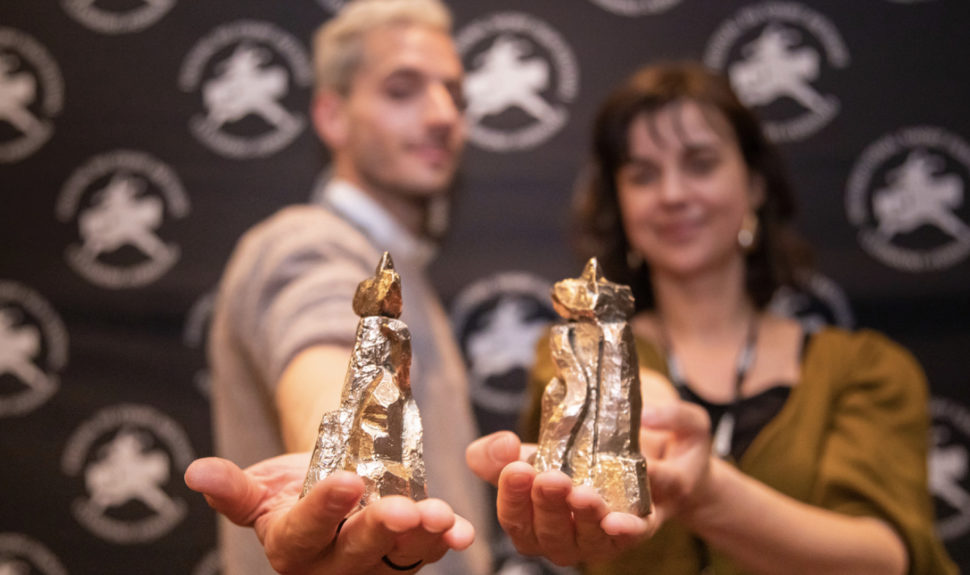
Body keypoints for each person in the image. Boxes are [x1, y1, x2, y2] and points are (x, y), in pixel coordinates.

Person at [466, 61, 957, 574]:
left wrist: (704, 490)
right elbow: (628, 391)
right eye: (643, 175)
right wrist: (645, 420)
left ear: (757, 186)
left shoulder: (865, 370)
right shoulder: (571, 348)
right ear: (622, 204)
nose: (674, 194)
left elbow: (886, 558)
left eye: (700, 163)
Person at [184, 1, 492, 573]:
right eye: (403, 90)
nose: (442, 114)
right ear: (332, 116)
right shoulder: (306, 242)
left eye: (455, 93)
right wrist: (350, 485)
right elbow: (324, 343)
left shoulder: (405, 269)